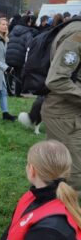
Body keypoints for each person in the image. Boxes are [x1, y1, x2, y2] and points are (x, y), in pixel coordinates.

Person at [41, 17, 81, 193]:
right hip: (65, 116)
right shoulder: (77, 35)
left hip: (70, 113)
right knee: (71, 178)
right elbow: (56, 80)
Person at [5, 15, 38, 97]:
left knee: (9, 73)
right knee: (18, 74)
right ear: (27, 22)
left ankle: (8, 92)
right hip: (20, 56)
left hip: (9, 54)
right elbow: (29, 45)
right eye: (29, 21)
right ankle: (17, 93)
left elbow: (8, 40)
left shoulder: (13, 30)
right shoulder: (28, 32)